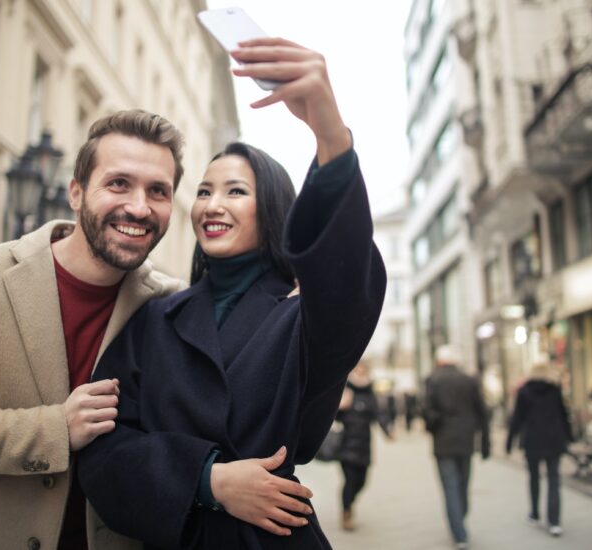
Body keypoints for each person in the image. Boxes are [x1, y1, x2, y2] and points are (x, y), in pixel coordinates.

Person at [78, 37, 387, 549]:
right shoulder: (156, 319)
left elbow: (346, 277)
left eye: (235, 191)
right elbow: (105, 449)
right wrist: (206, 480)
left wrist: (329, 134)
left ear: (271, 210)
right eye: (203, 191)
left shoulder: (304, 320)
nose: (212, 205)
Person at [0, 109, 189, 550]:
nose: (139, 208)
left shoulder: (171, 303)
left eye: (158, 191)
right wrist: (55, 429)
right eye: (119, 183)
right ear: (77, 193)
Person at [422, 344, 490, 550]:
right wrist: (485, 442)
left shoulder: (433, 380)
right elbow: (482, 412)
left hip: (443, 442)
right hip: (466, 441)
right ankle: (460, 519)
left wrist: (434, 425)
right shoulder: (469, 380)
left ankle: (459, 532)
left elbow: (426, 411)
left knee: (450, 487)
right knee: (463, 484)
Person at [505, 357, 573, 538]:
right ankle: (554, 522)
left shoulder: (525, 391)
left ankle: (534, 513)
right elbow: (563, 415)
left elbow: (517, 418)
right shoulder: (555, 389)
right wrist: (569, 438)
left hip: (532, 440)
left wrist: (509, 441)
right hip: (553, 440)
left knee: (534, 478)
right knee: (553, 480)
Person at [336, 361, 393, 532]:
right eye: (357, 369)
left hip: (364, 443)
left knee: (362, 481)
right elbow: (331, 417)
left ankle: (350, 502)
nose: (360, 373)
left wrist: (388, 431)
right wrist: (340, 407)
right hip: (346, 443)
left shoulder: (370, 393)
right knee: (350, 480)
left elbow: (379, 414)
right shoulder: (344, 390)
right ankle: (346, 512)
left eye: (363, 370)